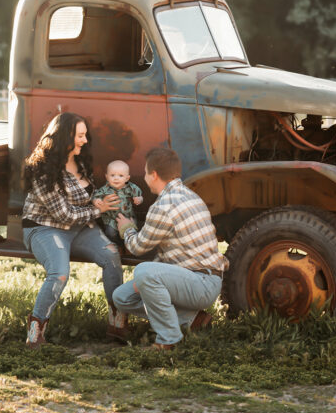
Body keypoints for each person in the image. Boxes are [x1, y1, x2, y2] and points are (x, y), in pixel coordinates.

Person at [21, 112, 126, 348]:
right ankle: (35, 333)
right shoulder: (43, 170)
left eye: (85, 135)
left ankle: (117, 321)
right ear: (64, 137)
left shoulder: (79, 161)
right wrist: (98, 211)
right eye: (80, 135)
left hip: (80, 227)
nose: (84, 140)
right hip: (45, 229)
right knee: (59, 272)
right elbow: (64, 215)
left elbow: (86, 200)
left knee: (111, 255)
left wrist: (103, 200)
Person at [111, 147, 227, 349]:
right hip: (198, 278)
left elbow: (138, 248)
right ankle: (192, 320)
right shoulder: (190, 194)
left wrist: (126, 228)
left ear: (154, 175)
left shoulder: (163, 206)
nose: (145, 177)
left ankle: (169, 340)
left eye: (146, 173)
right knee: (121, 297)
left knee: (143, 271)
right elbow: (169, 254)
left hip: (200, 283)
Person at [92, 160, 144, 247]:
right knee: (110, 233)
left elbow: (139, 195)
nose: (116, 178)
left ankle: (129, 246)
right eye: (112, 175)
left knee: (133, 227)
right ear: (107, 177)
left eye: (120, 175)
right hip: (111, 219)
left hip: (127, 217)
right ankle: (117, 246)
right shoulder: (105, 189)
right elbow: (96, 196)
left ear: (127, 178)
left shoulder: (131, 187)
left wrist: (139, 199)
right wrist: (96, 201)